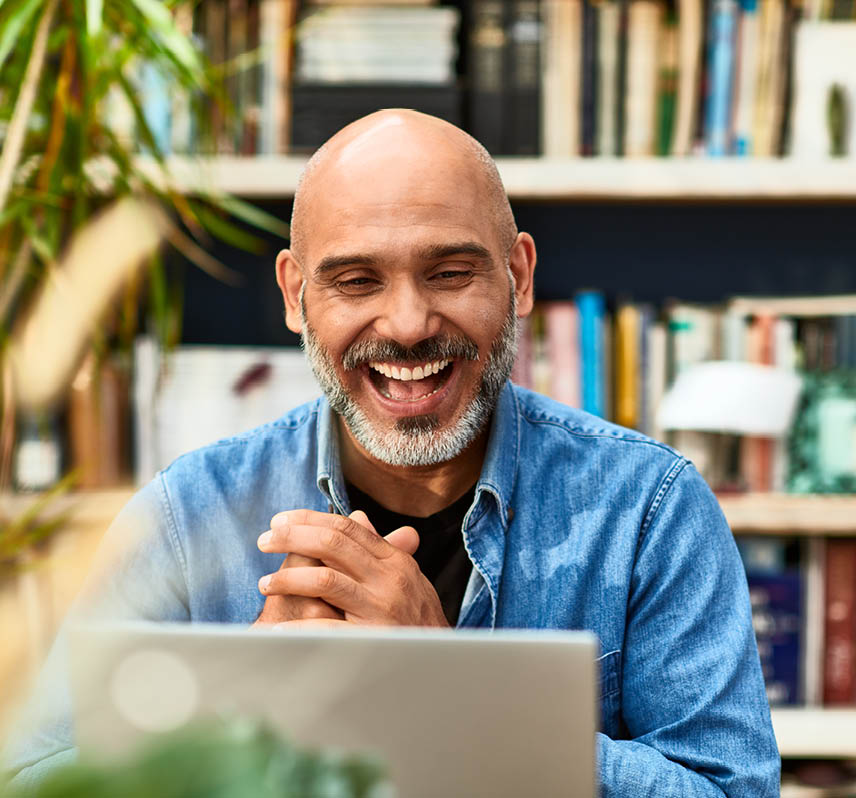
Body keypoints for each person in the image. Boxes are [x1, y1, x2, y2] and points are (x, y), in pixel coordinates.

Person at [4, 110, 779, 795]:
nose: (407, 324)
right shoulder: (185, 515)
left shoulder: (650, 509)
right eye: (355, 280)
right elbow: (35, 780)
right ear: (294, 296)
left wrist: (452, 691)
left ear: (518, 276)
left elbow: (729, 793)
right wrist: (232, 712)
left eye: (449, 272)